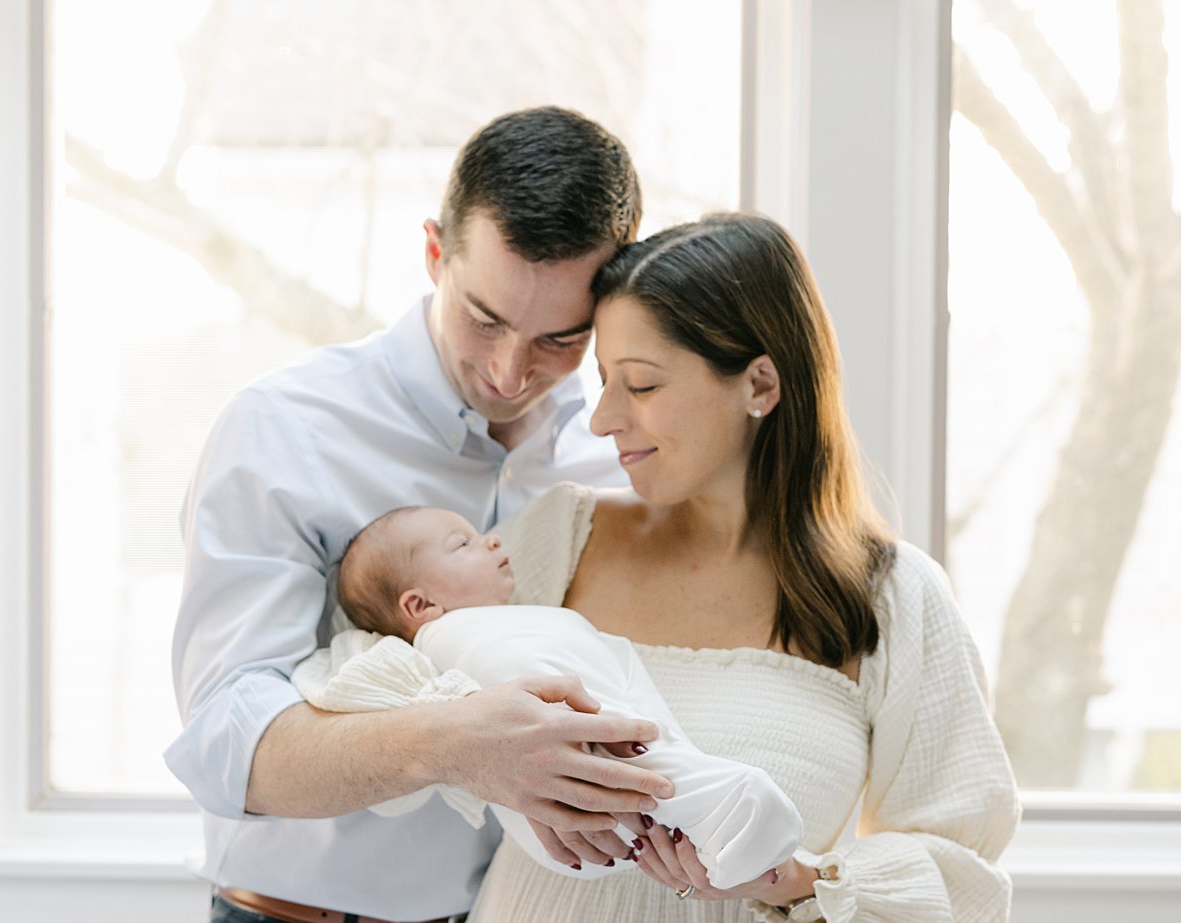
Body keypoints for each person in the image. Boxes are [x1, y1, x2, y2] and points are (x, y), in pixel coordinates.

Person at [167, 106, 668, 923]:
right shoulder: (284, 429)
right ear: (435, 253)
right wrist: (456, 745)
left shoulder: (617, 458)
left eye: (559, 339)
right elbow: (229, 741)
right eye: (485, 318)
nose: (510, 371)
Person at [468, 212, 1019, 921]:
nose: (603, 419)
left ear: (759, 384)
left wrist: (794, 878)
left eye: (641, 385)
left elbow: (961, 873)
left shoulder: (893, 598)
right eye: (603, 381)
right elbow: (396, 668)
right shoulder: (561, 535)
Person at [306, 505, 803, 891]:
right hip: (576, 799)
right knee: (648, 768)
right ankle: (731, 818)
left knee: (650, 768)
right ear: (422, 605)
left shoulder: (500, 621)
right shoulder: (457, 639)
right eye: (463, 543)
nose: (492, 540)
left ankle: (722, 827)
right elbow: (517, 687)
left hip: (591, 830)